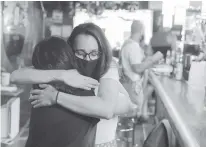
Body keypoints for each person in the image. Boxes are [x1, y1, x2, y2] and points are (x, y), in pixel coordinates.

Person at [11, 23, 135, 147]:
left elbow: (108, 109)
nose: (88, 59)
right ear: (71, 50)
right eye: (80, 53)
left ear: (102, 52)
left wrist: (56, 97)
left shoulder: (108, 67)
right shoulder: (68, 66)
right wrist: (62, 75)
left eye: (94, 53)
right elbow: (16, 76)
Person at [119, 20, 163, 118]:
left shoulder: (127, 43)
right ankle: (131, 128)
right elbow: (137, 68)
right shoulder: (133, 46)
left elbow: (136, 63)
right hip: (133, 87)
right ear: (142, 31)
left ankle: (136, 120)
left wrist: (148, 60)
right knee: (132, 115)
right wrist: (153, 59)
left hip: (128, 85)